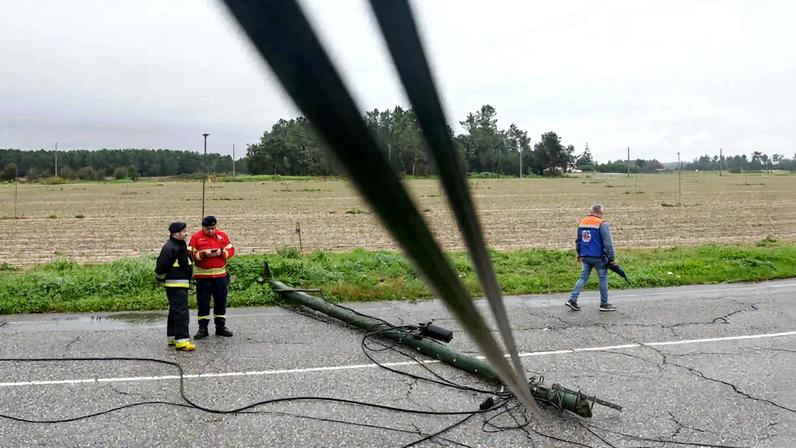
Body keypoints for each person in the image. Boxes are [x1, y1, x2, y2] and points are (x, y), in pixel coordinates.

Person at [189, 215, 235, 338]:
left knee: (221, 302)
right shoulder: (196, 237)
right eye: (208, 229)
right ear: (203, 227)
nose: (211, 231)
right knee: (203, 304)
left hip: (220, 276)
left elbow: (231, 250)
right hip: (203, 278)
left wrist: (222, 253)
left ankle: (220, 327)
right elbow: (190, 254)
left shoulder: (223, 235)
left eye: (213, 228)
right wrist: (203, 254)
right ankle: (203, 329)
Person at [566, 204, 617, 312]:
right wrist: (612, 258)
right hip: (598, 257)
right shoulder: (602, 223)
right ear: (601, 212)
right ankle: (604, 304)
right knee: (603, 278)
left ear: (591, 211)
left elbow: (578, 241)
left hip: (585, 256)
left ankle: (572, 299)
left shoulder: (582, 222)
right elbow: (608, 243)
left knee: (583, 278)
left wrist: (579, 253)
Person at [155, 222, 196, 351]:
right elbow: (161, 268)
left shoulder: (179, 245)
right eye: (184, 232)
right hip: (175, 285)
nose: (186, 234)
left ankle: (172, 338)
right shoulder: (170, 247)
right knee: (181, 312)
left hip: (179, 284)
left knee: (174, 311)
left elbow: (184, 263)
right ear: (175, 234)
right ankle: (182, 341)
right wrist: (163, 279)